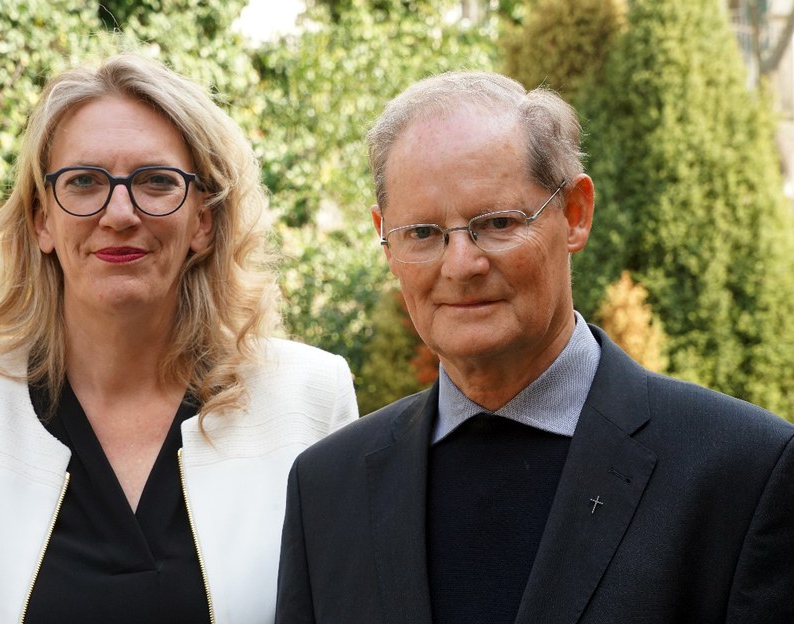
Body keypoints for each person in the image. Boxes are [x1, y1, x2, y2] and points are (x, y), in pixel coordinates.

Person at [275, 71, 794, 623]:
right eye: (423, 233)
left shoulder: (743, 473)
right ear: (384, 238)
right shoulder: (327, 489)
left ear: (576, 214)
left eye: (497, 223)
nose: (461, 265)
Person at [0, 53, 358, 624]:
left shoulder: (309, 400)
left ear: (204, 221)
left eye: (156, 182)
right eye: (84, 182)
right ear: (42, 220)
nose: (118, 213)